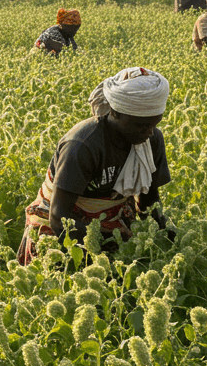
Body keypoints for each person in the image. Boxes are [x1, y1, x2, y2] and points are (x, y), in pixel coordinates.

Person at [17, 67, 173, 265]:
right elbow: (59, 216)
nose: (149, 133)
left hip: (114, 224)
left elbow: (149, 201)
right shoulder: (82, 145)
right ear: (115, 113)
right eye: (141, 125)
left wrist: (166, 237)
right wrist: (97, 252)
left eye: (154, 124)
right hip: (66, 225)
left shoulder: (151, 140)